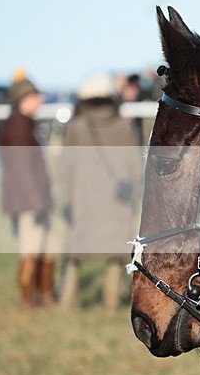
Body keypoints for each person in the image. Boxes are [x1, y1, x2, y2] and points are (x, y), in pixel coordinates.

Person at [58, 73, 142, 311]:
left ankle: (67, 303)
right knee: (115, 256)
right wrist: (134, 196)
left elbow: (66, 168)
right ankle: (110, 305)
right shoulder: (123, 129)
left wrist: (66, 200)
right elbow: (135, 168)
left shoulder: (77, 128)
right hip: (116, 202)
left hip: (82, 201)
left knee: (74, 255)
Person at [0, 72, 56, 307]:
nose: (40, 101)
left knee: (48, 247)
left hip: (33, 199)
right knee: (31, 249)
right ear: (25, 98)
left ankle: (45, 296)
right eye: (36, 96)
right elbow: (22, 172)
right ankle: (28, 301)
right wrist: (38, 203)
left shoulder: (22, 125)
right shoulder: (18, 128)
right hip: (29, 202)